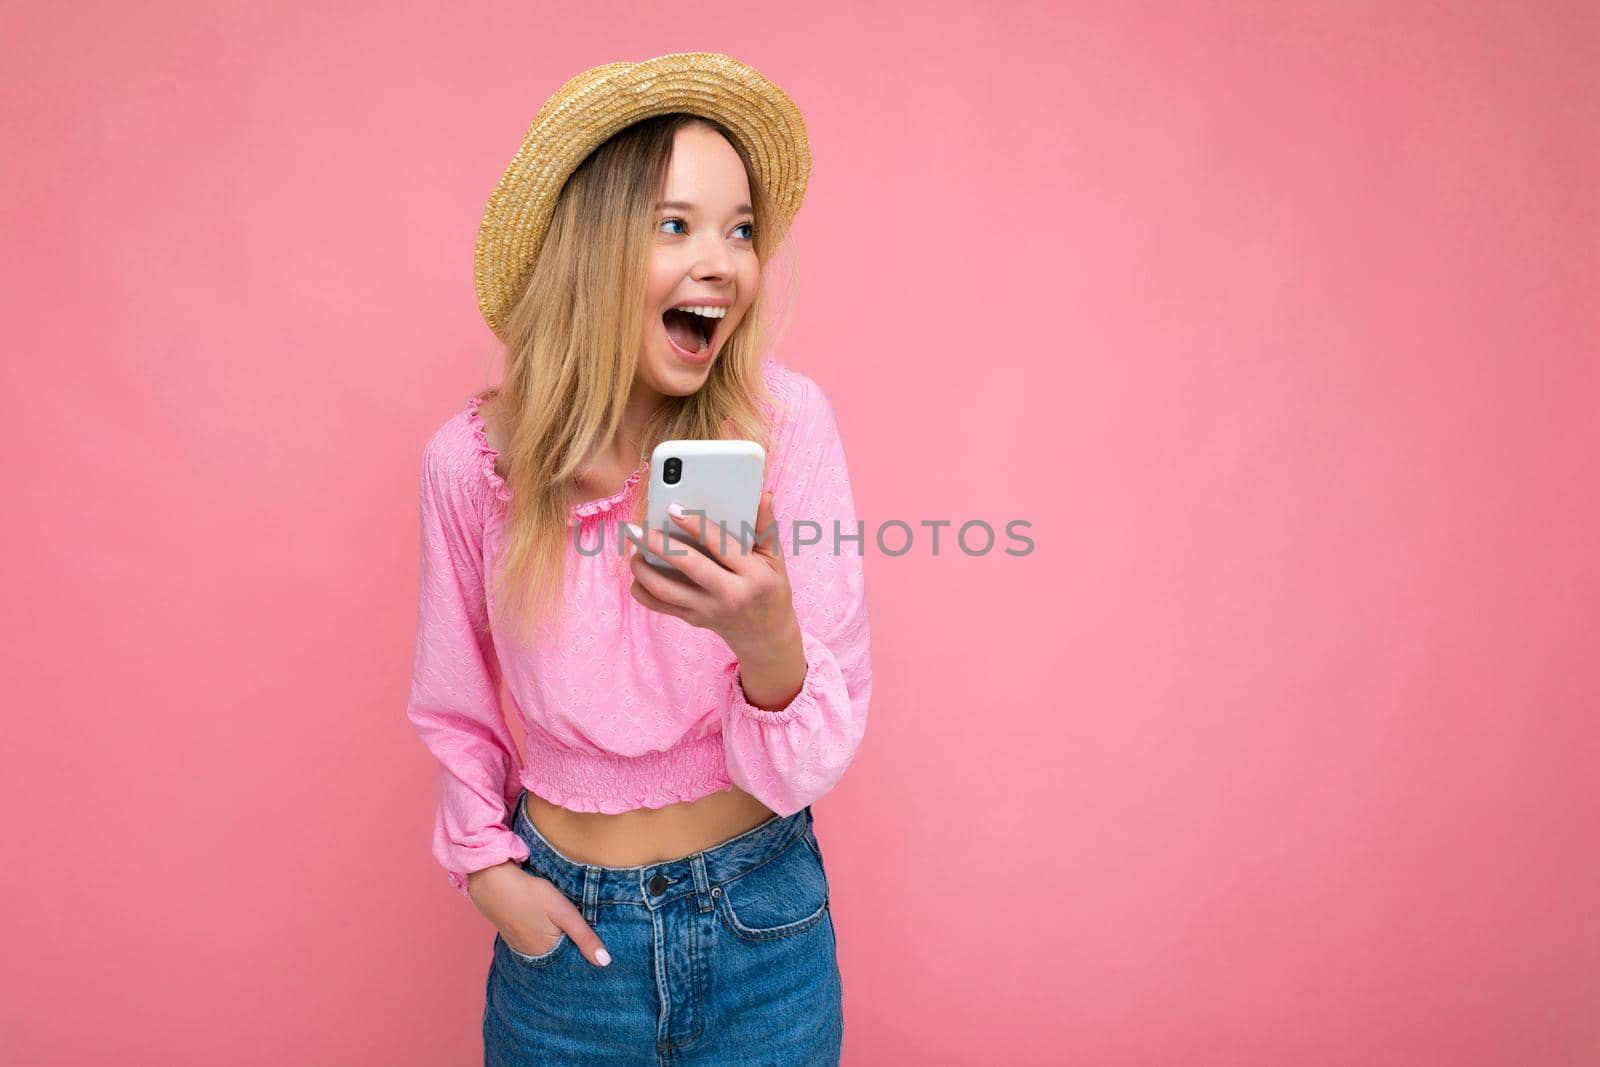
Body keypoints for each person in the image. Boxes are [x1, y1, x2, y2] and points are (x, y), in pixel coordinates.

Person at [404, 53, 872, 1065]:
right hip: (569, 951)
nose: (724, 261)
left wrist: (767, 641)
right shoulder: (473, 466)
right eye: (676, 224)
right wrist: (486, 869)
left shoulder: (783, 427)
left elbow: (814, 755)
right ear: (589, 249)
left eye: (740, 228)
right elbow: (455, 702)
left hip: (764, 925)